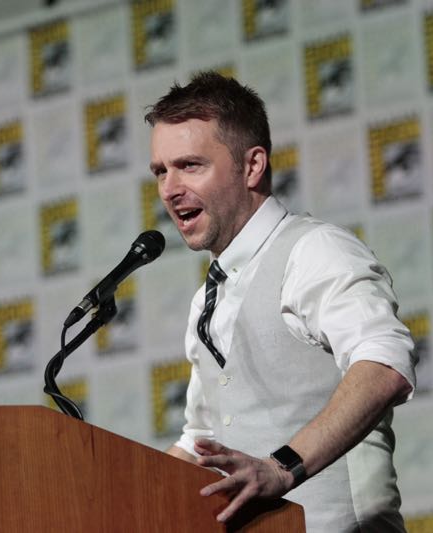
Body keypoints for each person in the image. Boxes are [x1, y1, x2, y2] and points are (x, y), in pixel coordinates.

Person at [145, 71, 417, 532]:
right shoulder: (209, 297)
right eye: (160, 171)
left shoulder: (315, 250)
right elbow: (201, 440)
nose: (169, 189)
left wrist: (281, 466)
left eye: (190, 165)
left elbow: (384, 363)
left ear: (252, 166)